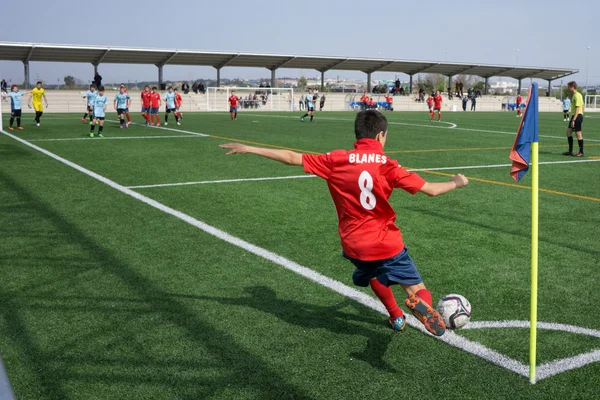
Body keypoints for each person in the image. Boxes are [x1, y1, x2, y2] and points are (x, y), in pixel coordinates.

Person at [219, 110, 469, 336]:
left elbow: (291, 157)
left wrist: (250, 148)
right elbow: (431, 190)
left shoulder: (336, 160)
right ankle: (421, 304)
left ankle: (395, 317)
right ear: (381, 135)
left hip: (354, 245)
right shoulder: (388, 165)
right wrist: (458, 183)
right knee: (415, 286)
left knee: (373, 274)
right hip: (385, 242)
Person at [562, 81, 584, 157]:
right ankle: (570, 151)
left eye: (569, 87)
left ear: (572, 87)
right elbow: (583, 106)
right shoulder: (575, 95)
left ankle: (581, 152)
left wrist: (574, 120)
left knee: (578, 134)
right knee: (568, 132)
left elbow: (578, 108)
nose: (568, 88)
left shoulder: (577, 95)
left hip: (577, 116)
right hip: (575, 116)